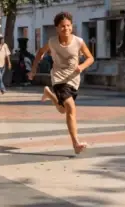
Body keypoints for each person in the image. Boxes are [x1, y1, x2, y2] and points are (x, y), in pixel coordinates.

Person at [27, 12, 95, 154]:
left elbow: (90, 58)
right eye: (63, 26)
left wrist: (81, 67)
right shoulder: (52, 42)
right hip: (58, 79)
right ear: (57, 28)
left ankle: (49, 94)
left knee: (63, 109)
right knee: (70, 108)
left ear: (72, 26)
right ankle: (76, 143)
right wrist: (33, 70)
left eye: (68, 26)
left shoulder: (78, 42)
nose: (66, 29)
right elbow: (40, 53)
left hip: (73, 80)